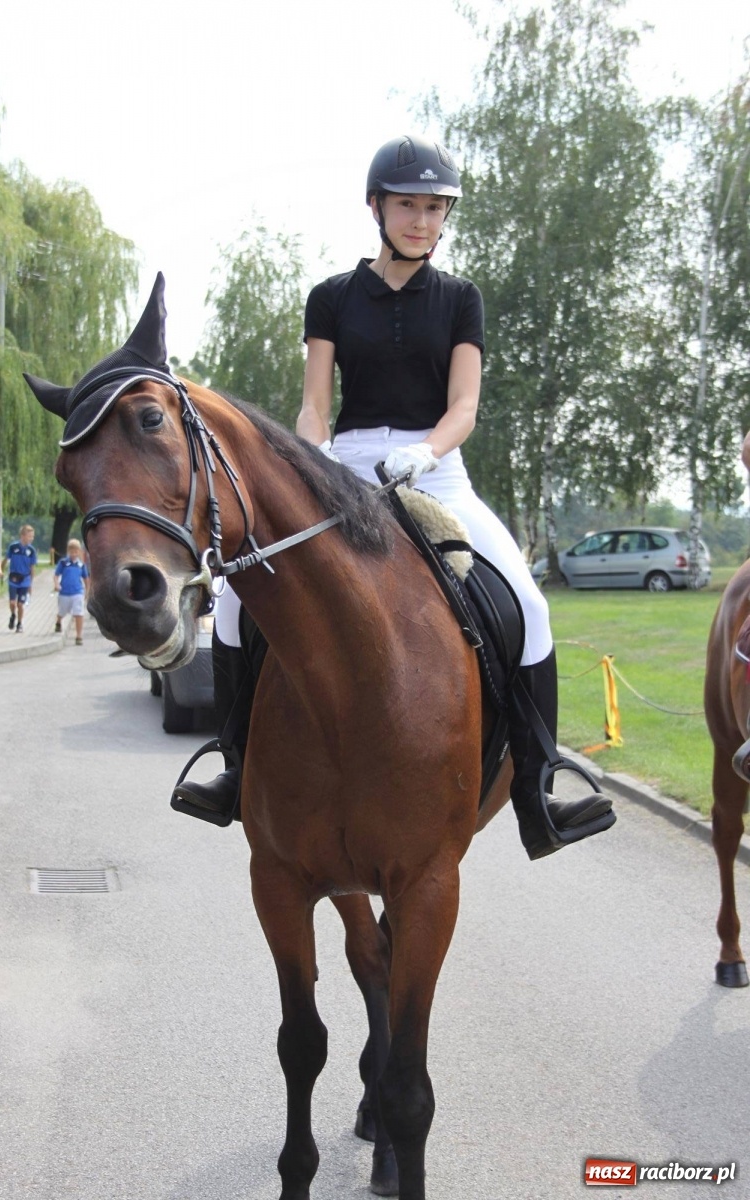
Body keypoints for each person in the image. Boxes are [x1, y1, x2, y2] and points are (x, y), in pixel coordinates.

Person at [174, 134, 614, 860]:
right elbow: (316, 403)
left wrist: (427, 449)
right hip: (343, 470)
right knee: (236, 604)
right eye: (408, 205)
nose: (421, 220)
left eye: (435, 207)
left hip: (436, 471)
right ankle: (234, 767)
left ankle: (538, 787)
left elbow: (465, 405)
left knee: (530, 607)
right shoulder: (332, 298)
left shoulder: (460, 300)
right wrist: (306, 452)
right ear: (376, 207)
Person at [53, 539, 89, 645]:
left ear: (79, 552)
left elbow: (86, 579)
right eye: (72, 551)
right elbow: (56, 575)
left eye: (76, 551)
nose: (74, 554)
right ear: (68, 551)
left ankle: (78, 636)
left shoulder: (81, 565)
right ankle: (59, 620)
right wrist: (56, 584)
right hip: (64, 592)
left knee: (79, 613)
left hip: (77, 592)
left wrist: (87, 591)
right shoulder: (63, 563)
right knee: (62, 612)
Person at [3, 524, 38, 632]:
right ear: (22, 536)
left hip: (25, 580)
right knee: (12, 603)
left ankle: (19, 623)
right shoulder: (13, 547)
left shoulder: (31, 551)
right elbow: (6, 559)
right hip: (13, 579)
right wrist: (1, 569)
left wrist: (31, 584)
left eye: (32, 536)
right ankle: (13, 615)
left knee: (20, 604)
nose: (31, 538)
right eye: (29, 536)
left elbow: (32, 568)